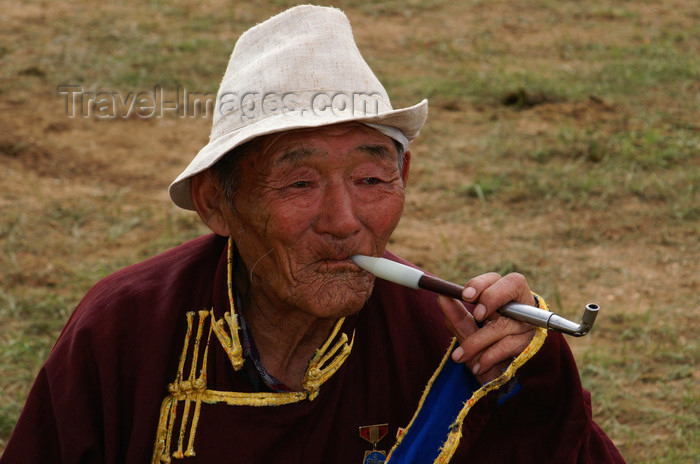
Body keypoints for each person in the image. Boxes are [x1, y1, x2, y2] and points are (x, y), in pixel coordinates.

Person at [1, 5, 625, 464]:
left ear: (404, 176)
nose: (344, 221)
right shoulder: (124, 332)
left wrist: (528, 381)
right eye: (298, 183)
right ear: (215, 203)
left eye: (372, 177)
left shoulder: (448, 345)